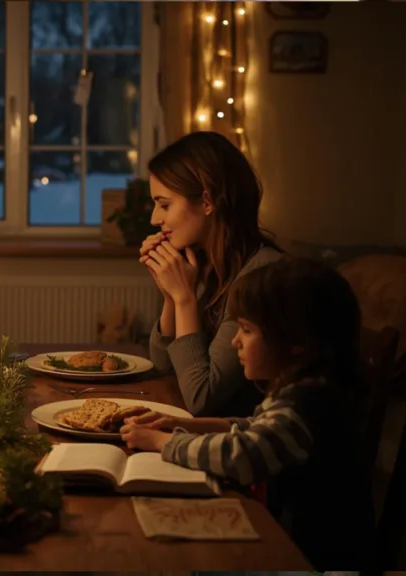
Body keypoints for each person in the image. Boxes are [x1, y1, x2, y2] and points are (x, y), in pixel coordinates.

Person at [120, 258, 376, 570]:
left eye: (246, 329)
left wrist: (161, 442)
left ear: (296, 342)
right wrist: (184, 424)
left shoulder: (308, 405)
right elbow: (256, 427)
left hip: (312, 561)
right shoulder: (305, 393)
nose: (234, 340)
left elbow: (240, 456)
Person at [142, 131, 285, 417]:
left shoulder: (262, 274)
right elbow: (161, 367)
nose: (154, 219)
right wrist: (171, 296)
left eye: (165, 204)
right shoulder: (204, 263)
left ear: (207, 202)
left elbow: (201, 399)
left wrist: (184, 299)